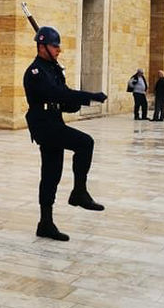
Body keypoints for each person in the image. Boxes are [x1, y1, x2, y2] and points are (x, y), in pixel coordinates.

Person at [23, 26, 107, 241]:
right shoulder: (35, 72)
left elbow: (62, 99)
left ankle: (45, 223)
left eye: (58, 45)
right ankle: (79, 193)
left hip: (54, 121)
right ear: (42, 47)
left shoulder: (52, 69)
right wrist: (89, 97)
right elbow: (57, 93)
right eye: (54, 45)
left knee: (52, 173)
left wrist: (72, 105)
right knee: (85, 143)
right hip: (44, 125)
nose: (59, 49)